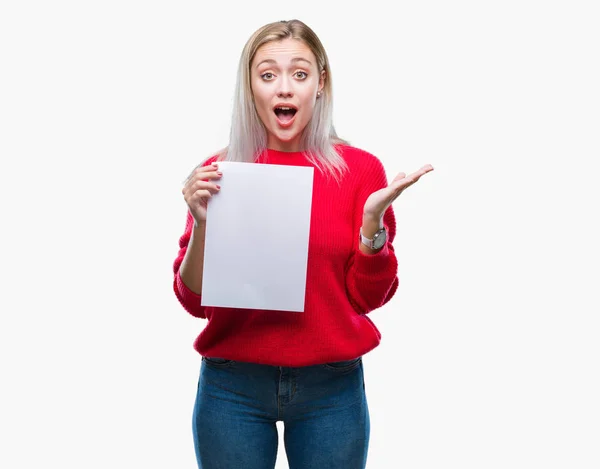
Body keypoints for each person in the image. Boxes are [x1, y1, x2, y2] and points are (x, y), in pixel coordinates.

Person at [173, 19, 433, 469]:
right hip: (232, 385)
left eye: (299, 73)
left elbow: (368, 297)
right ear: (250, 86)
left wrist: (372, 226)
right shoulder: (220, 171)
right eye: (268, 74)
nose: (284, 89)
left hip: (331, 388)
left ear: (320, 83)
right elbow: (194, 301)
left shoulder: (359, 170)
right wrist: (201, 225)